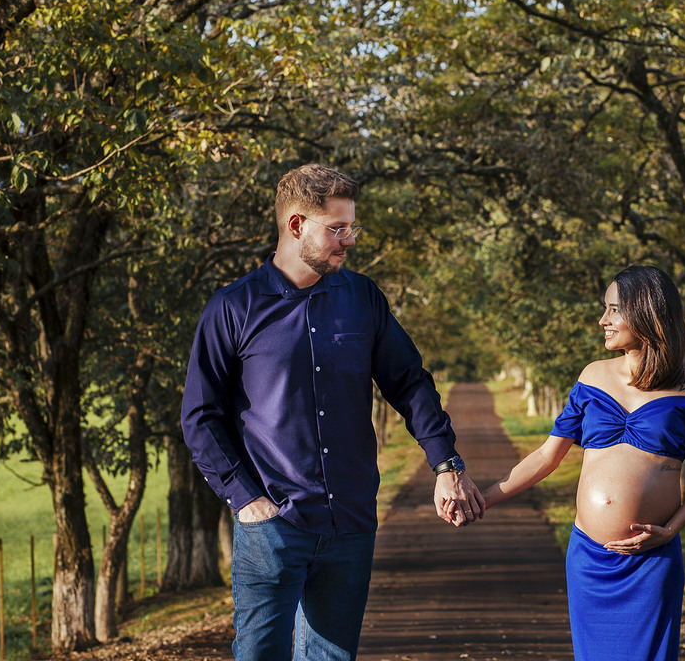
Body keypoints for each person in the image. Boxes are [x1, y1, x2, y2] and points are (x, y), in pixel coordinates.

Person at [181, 163, 485, 661]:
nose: (350, 240)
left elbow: (409, 381)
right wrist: (246, 498)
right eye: (337, 228)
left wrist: (445, 464)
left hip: (350, 521)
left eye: (352, 227)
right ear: (296, 225)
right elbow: (200, 416)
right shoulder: (233, 308)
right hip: (272, 523)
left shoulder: (362, 298)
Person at [480, 265, 685, 661]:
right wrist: (484, 499)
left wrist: (669, 531)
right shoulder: (592, 377)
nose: (602, 320)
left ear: (646, 313)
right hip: (589, 560)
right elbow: (547, 456)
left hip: (651, 560)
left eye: (613, 310)